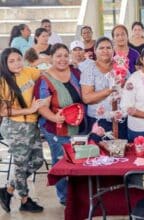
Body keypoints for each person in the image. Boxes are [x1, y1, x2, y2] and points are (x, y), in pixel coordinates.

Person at [34, 43, 83, 206]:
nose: (62, 59)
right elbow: (42, 107)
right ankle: (64, 198)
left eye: (65, 55)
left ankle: (78, 194)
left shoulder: (75, 72)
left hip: (78, 124)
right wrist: (55, 118)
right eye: (58, 56)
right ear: (51, 58)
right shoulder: (44, 79)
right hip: (56, 128)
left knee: (79, 161)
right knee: (61, 162)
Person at [0, 48, 44, 213]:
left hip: (32, 125)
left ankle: (8, 190)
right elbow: (3, 111)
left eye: (19, 59)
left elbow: (45, 73)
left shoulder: (28, 71)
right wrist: (30, 110)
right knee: (21, 165)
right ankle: (25, 200)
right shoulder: (3, 81)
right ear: (5, 64)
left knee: (38, 161)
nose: (17, 63)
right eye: (11, 61)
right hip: (14, 127)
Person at [80, 37, 128, 141]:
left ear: (113, 50)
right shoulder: (89, 70)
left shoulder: (121, 67)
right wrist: (109, 90)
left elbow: (130, 88)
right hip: (99, 120)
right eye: (101, 48)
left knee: (121, 153)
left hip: (121, 119)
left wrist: (126, 86)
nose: (105, 51)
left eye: (108, 47)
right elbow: (87, 98)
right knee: (100, 154)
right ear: (95, 51)